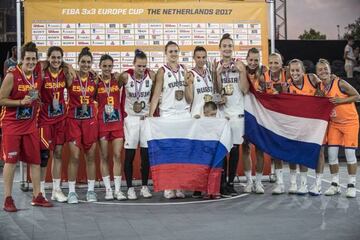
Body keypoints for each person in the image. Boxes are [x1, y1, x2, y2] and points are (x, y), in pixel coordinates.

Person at [0, 42, 53, 212]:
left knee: (35, 161)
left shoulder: (37, 72)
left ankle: (37, 196)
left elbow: (53, 62)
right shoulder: (12, 75)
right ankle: (8, 198)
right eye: (27, 59)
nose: (30, 62)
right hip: (12, 125)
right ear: (21, 59)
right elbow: (1, 100)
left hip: (30, 125)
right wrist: (20, 102)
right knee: (11, 161)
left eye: (33, 59)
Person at [150, 41, 191, 199]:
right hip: (168, 115)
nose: (173, 54)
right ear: (165, 53)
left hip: (183, 114)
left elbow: (189, 94)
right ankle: (168, 186)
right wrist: (150, 116)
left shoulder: (184, 69)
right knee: (168, 152)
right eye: (171, 51)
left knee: (181, 152)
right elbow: (156, 95)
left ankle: (179, 186)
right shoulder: (162, 71)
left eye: (176, 51)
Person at [316, 59, 360, 198]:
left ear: (330, 70)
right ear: (317, 73)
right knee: (332, 155)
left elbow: (357, 96)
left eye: (325, 69)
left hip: (350, 122)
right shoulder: (321, 87)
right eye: (320, 70)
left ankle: (351, 184)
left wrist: (342, 100)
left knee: (349, 154)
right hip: (335, 124)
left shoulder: (339, 82)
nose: (323, 71)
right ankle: (335, 184)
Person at [38, 46, 73, 202]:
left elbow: (72, 84)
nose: (56, 60)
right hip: (45, 118)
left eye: (59, 57)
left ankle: (56, 190)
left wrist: (69, 67)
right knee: (43, 155)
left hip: (60, 118)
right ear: (48, 58)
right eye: (53, 57)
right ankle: (40, 190)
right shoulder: (42, 71)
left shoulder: (64, 72)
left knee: (58, 154)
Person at [215, 34, 248, 197]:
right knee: (222, 148)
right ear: (220, 48)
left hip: (237, 113)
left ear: (232, 48)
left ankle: (230, 183)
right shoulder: (215, 66)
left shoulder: (240, 64)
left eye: (229, 45)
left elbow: (245, 90)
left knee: (235, 149)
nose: (227, 48)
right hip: (222, 113)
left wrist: (241, 72)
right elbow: (216, 95)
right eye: (224, 46)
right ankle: (221, 182)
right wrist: (218, 76)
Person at [65, 47, 99, 204]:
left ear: (91, 63)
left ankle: (91, 190)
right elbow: (56, 63)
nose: (86, 65)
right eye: (83, 62)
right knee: (74, 157)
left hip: (90, 121)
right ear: (78, 63)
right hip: (73, 120)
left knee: (90, 157)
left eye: (88, 62)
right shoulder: (71, 76)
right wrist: (69, 66)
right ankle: (72, 192)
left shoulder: (95, 79)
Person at [286, 59, 324, 195]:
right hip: (298, 125)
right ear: (289, 72)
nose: (295, 73)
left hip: (315, 124)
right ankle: (302, 184)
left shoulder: (312, 79)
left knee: (319, 152)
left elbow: (324, 88)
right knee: (299, 152)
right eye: (292, 70)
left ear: (303, 71)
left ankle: (318, 185)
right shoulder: (288, 86)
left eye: (298, 70)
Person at [121, 49, 155, 200]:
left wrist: (152, 112)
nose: (141, 69)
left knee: (145, 156)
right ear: (133, 64)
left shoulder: (151, 76)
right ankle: (129, 188)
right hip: (131, 120)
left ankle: (144, 186)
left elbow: (155, 95)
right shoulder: (126, 77)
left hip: (145, 119)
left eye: (144, 66)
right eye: (139, 66)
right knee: (129, 155)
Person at [97, 54, 126, 201]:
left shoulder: (117, 80)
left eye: (110, 66)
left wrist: (119, 74)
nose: (107, 68)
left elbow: (127, 75)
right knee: (104, 156)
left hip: (117, 123)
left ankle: (118, 190)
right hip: (102, 123)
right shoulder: (96, 82)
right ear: (100, 66)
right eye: (104, 66)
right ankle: (108, 190)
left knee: (116, 156)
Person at [262, 53, 288, 195]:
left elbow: (305, 78)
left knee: (291, 148)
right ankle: (280, 183)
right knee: (277, 150)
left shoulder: (288, 72)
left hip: (288, 117)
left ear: (281, 63)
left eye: (276, 62)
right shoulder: (264, 77)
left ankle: (296, 183)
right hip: (273, 118)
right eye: (270, 62)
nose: (273, 65)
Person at [242, 48, 266, 194]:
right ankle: (249, 181)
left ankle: (258, 182)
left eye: (256, 60)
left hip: (259, 115)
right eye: (251, 59)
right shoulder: (241, 70)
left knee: (260, 149)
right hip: (244, 113)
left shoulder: (264, 72)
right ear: (247, 58)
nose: (253, 62)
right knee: (245, 148)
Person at [185, 46, 214, 118]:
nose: (201, 60)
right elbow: (189, 100)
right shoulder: (191, 74)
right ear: (193, 58)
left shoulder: (210, 73)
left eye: (203, 57)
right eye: (198, 57)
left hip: (210, 115)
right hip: (197, 115)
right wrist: (187, 84)